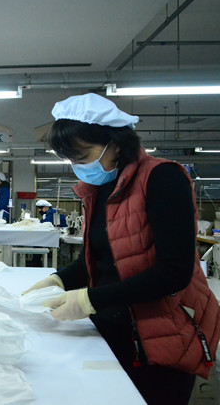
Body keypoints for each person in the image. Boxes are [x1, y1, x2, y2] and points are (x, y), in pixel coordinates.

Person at [22, 93, 220, 405]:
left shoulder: (163, 178)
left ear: (114, 143)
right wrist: (59, 279)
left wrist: (90, 298)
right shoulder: (100, 188)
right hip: (113, 324)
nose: (78, 166)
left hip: (161, 334)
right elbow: (101, 258)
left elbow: (174, 273)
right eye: (71, 160)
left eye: (83, 156)